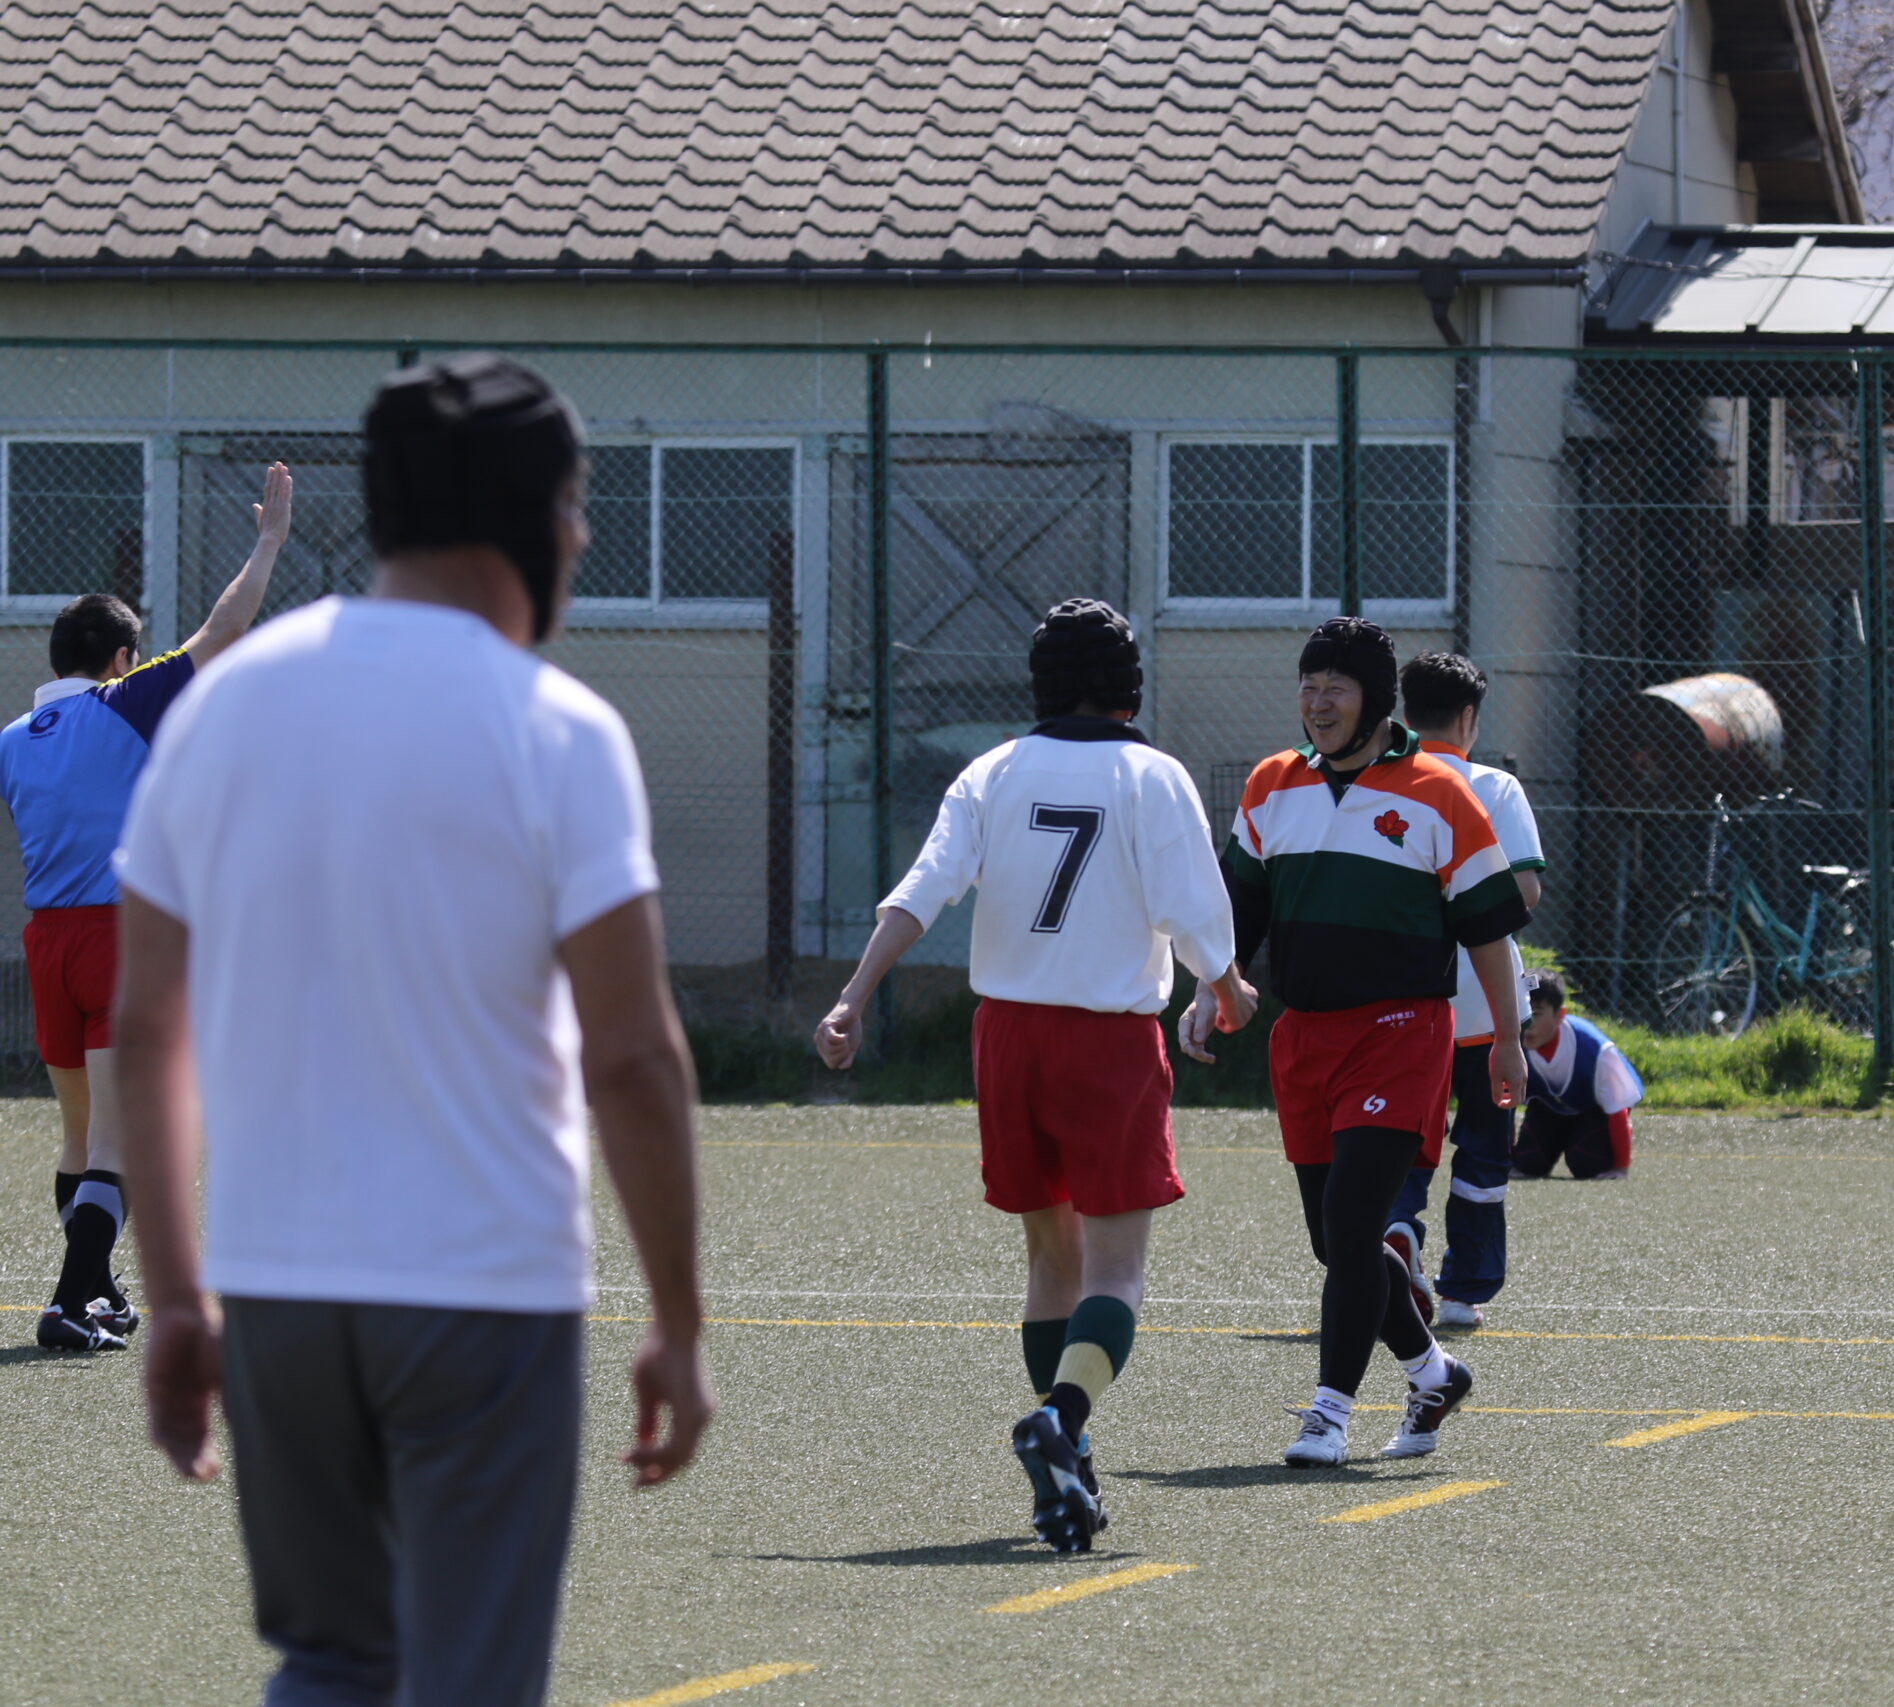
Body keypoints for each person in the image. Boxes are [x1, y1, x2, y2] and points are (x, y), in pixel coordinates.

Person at [116, 354, 714, 1706]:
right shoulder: (558, 728)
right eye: (576, 505)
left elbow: (147, 1029)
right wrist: (677, 1320)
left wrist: (176, 1294)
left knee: (330, 1662)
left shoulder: (222, 708)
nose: (583, 536)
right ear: (528, 515)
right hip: (482, 1289)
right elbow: (631, 1055)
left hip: (278, 1288)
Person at [814, 597, 1254, 1554]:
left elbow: (924, 888)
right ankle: (1060, 1417)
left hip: (1007, 1038)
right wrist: (1227, 986)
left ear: (1041, 684)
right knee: (1116, 1268)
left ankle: (1071, 1464)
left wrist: (852, 996)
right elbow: (1191, 908)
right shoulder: (1152, 774)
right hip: (1107, 1042)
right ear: (1130, 686)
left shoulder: (994, 769)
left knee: (1051, 1258)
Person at [1188, 616, 1527, 1467]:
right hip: (1305, 1039)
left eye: (1335, 687)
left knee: (1351, 1221)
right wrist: (1209, 988)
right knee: (1333, 1240)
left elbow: (1488, 931)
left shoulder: (1441, 792)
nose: (1317, 701)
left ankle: (1328, 1415)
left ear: (1375, 699)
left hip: (1401, 1033)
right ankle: (1433, 1372)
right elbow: (1238, 909)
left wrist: (1508, 1039)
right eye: (1308, 685)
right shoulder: (1272, 784)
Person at [2, 463, 292, 1352]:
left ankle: (97, 1292)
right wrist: (269, 541)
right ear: (123, 658)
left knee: (80, 1135)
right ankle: (65, 1306)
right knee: (121, 1143)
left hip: (46, 941)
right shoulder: (126, 703)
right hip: (119, 939)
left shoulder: (12, 740)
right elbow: (226, 627)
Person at [1382, 652, 1546, 1329]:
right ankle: (1461, 1292)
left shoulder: (1379, 782)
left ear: (1403, 712)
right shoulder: (1494, 786)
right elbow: (1524, 893)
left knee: (1396, 1140)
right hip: (1484, 1005)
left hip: (1396, 1001)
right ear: (1469, 717)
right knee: (1482, 1146)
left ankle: (1396, 1233)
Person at [1509, 971, 1644, 1181]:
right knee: (1528, 1164)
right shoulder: (1509, 1044)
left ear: (1560, 1015)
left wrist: (1620, 1167)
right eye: (1520, 1012)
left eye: (1535, 1013)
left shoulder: (1594, 1049)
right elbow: (1505, 1105)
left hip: (1594, 1110)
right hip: (1549, 1108)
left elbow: (1618, 1110)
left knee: (1587, 1164)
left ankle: (1580, 1142)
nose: (1526, 1023)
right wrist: (1505, 1158)